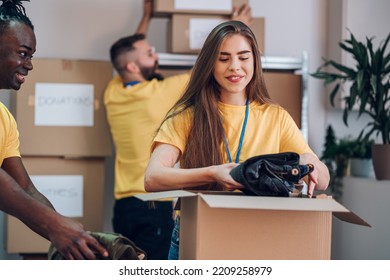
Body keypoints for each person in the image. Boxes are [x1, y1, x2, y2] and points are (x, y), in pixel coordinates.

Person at [144, 20, 330, 260]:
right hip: (200, 231)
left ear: (255, 61)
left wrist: (310, 163)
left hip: (259, 235)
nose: (235, 67)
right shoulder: (187, 116)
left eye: (243, 57)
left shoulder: (276, 117)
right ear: (210, 64)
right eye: (223, 59)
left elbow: (323, 180)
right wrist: (213, 173)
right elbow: (152, 178)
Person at [104, 0, 253, 259]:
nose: (156, 55)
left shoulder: (113, 91)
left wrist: (146, 17)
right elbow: (212, 66)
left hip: (123, 206)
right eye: (150, 53)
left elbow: (130, 50)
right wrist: (240, 34)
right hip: (154, 203)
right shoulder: (161, 93)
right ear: (133, 67)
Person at [0, 0, 108, 260]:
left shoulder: (5, 119)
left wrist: (76, 237)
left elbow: (25, 188)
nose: (29, 64)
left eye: (31, 56)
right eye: (23, 53)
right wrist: (55, 225)